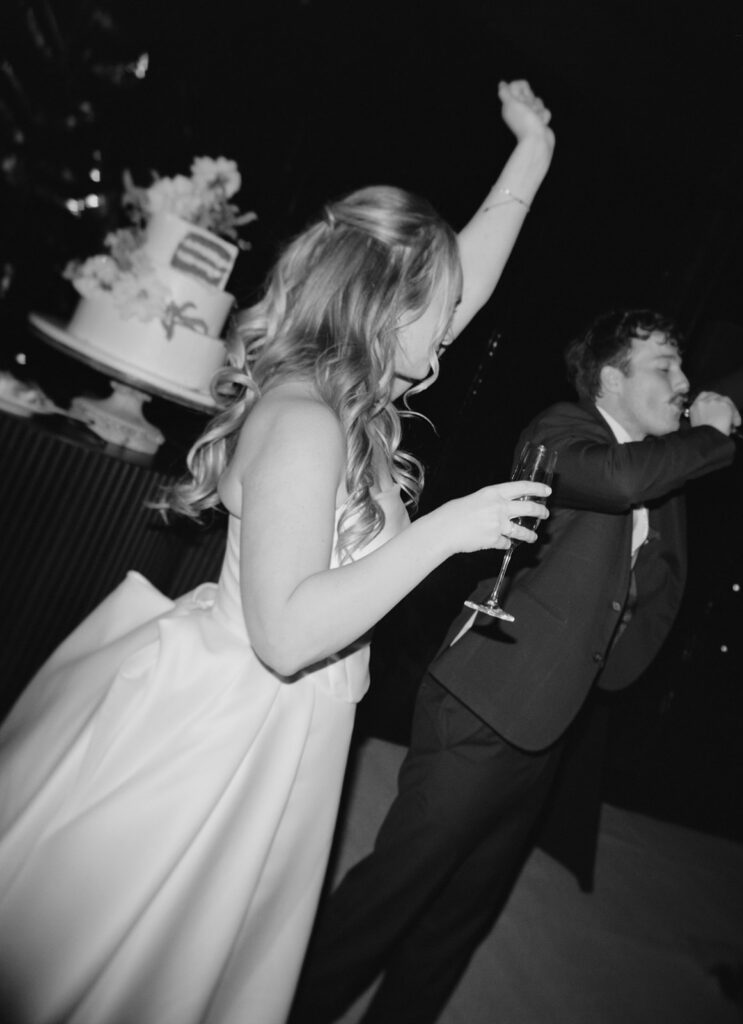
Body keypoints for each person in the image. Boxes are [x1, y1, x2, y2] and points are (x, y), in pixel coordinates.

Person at [0, 79, 555, 1024]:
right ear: (384, 303)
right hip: (232, 722)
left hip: (293, 718)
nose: (456, 322)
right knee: (140, 958)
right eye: (442, 305)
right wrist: (444, 533)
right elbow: (287, 636)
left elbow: (472, 271)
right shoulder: (305, 422)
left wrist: (532, 150)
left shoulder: (353, 394)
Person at [289, 298, 743, 1023]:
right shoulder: (562, 431)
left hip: (550, 719)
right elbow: (621, 480)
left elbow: (701, 407)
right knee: (394, 891)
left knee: (459, 919)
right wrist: (709, 433)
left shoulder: (659, 450)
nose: (684, 383)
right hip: (486, 699)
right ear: (610, 380)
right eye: (665, 367)